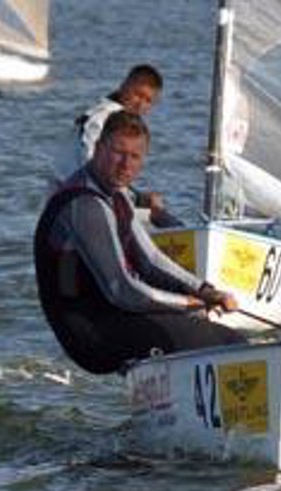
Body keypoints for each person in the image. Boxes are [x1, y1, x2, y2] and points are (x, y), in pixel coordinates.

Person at [34, 112, 239, 375]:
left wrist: (205, 291)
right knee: (230, 344)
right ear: (98, 149)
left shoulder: (117, 195)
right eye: (118, 153)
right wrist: (188, 303)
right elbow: (123, 289)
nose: (125, 165)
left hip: (113, 318)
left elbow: (150, 261)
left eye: (135, 156)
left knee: (209, 330)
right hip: (89, 333)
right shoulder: (84, 204)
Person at [48, 62, 171, 215]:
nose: (141, 104)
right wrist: (137, 199)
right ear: (124, 87)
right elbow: (91, 166)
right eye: (138, 95)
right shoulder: (102, 119)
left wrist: (136, 197)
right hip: (71, 201)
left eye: (148, 100)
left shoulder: (114, 116)